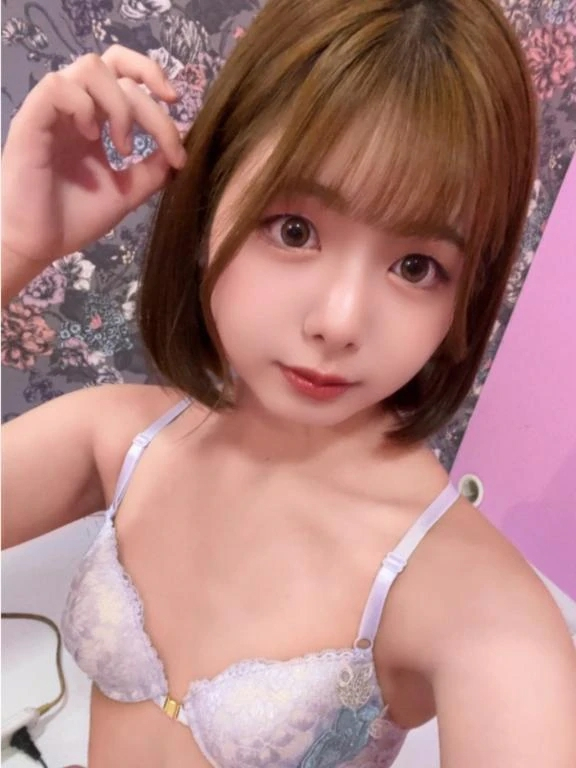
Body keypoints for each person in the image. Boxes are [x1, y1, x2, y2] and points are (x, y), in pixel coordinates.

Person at [2, 0, 576, 766]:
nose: (340, 322)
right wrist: (11, 244)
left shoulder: (473, 605)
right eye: (295, 230)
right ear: (210, 200)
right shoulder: (118, 439)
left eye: (416, 267)